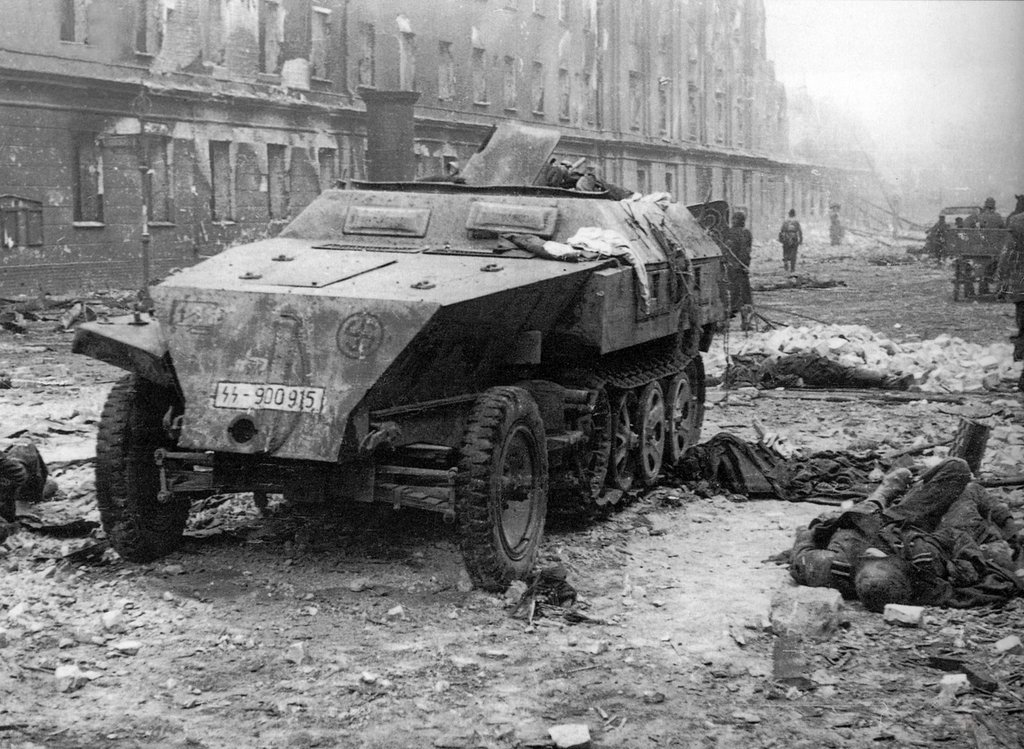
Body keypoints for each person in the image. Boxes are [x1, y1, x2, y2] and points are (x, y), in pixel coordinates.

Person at [790, 458, 1024, 611]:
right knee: (965, 485)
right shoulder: (925, 565)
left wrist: (815, 530)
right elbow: (956, 539)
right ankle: (899, 493)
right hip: (918, 529)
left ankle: (887, 492)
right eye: (881, 558)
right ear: (903, 569)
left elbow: (803, 541)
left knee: (956, 471)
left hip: (883, 519)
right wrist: (989, 548)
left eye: (870, 559)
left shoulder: (829, 568)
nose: (874, 553)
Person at [996, 212, 1024, 389]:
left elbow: (1006, 257)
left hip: (1021, 289)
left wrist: (1001, 285)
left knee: (1023, 328)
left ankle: (1020, 369)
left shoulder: (1017, 221)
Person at [723, 211, 754, 330]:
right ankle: (745, 322)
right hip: (739, 269)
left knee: (729, 295)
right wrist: (745, 266)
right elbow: (745, 252)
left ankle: (724, 323)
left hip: (728, 268)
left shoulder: (727, 233)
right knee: (744, 295)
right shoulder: (745, 233)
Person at [777, 208, 803, 273]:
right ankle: (792, 268)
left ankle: (785, 260)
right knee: (793, 253)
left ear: (789, 214)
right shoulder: (796, 221)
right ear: (794, 214)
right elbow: (799, 231)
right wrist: (801, 239)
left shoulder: (785, 221)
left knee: (786, 250)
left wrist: (780, 239)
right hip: (794, 237)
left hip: (786, 237)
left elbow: (781, 230)